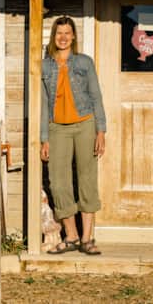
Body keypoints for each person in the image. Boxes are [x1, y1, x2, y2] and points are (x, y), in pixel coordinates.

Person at [40, 15, 106, 255]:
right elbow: (44, 103)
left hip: (85, 124)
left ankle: (88, 238)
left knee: (87, 178)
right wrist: (44, 137)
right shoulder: (45, 65)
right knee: (58, 182)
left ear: (74, 36)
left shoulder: (84, 63)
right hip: (57, 128)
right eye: (59, 33)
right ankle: (71, 236)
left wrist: (101, 130)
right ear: (53, 36)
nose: (63, 37)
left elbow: (96, 96)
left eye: (67, 33)